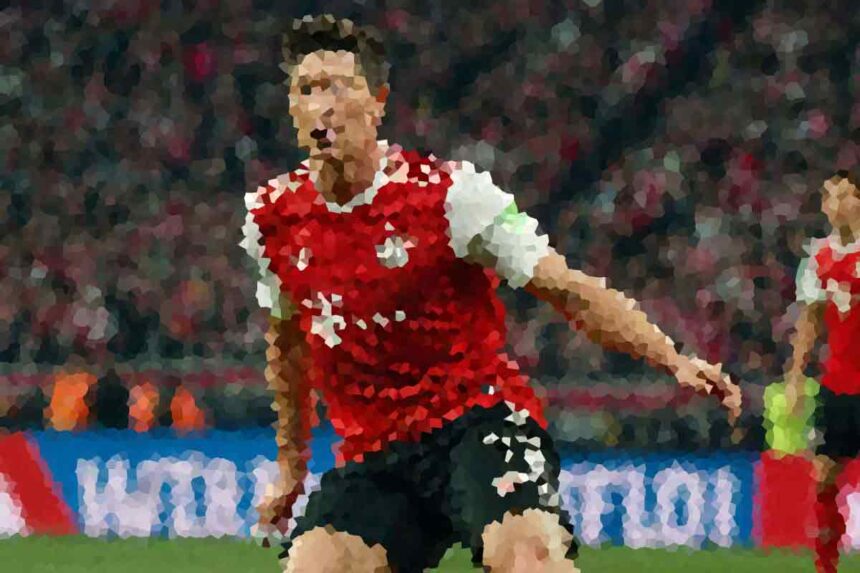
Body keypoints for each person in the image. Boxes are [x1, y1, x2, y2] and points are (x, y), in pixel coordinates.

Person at [242, 14, 741, 573]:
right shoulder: (270, 219)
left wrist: (671, 358)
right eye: (307, 90)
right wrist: (291, 465)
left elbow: (568, 289)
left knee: (526, 560)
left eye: (339, 87)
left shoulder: (451, 195)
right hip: (375, 453)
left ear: (378, 103)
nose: (322, 106)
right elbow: (287, 343)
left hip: (477, 423)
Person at [784, 170, 860, 573]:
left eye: (844, 195)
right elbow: (809, 323)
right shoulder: (818, 258)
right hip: (839, 384)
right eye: (830, 197)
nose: (836, 204)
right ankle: (826, 566)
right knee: (824, 476)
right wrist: (796, 377)